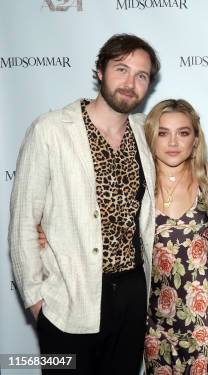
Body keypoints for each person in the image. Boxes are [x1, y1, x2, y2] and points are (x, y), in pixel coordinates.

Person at [9, 34, 160, 374]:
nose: (130, 82)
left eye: (141, 75)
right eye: (121, 69)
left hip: (133, 295)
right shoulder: (51, 130)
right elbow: (22, 222)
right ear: (99, 72)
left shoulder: (146, 133)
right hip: (68, 300)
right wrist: (36, 302)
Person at [141, 99, 208, 374]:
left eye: (183, 132)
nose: (173, 142)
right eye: (163, 132)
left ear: (195, 138)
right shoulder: (140, 185)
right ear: (150, 136)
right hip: (155, 317)